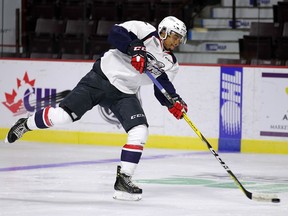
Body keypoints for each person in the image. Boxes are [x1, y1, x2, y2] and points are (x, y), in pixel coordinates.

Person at [5, 16, 188, 201]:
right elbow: (116, 33)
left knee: (140, 130)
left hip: (125, 93)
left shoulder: (171, 64)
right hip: (100, 79)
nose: (176, 41)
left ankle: (124, 180)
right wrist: (135, 48)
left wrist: (173, 101)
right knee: (63, 117)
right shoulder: (145, 30)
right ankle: (26, 124)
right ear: (163, 31)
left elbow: (162, 89)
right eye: (175, 36)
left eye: (180, 38)